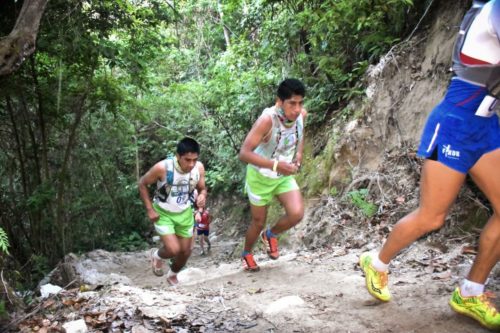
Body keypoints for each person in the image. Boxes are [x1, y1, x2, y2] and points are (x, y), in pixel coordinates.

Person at [359, 0, 500, 330]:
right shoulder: (492, 10)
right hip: (452, 127)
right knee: (432, 216)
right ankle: (377, 263)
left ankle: (470, 292)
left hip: (486, 128)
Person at [239, 78, 307, 271]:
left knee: (296, 213)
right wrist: (277, 165)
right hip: (260, 176)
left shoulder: (301, 116)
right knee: (258, 221)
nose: (297, 108)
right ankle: (246, 253)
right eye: (292, 103)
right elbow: (244, 153)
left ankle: (271, 234)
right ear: (280, 101)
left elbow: (300, 137)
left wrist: (298, 156)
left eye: (300, 102)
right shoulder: (267, 120)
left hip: (282, 175)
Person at [139, 137, 207, 286]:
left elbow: (202, 188)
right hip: (163, 213)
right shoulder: (162, 168)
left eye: (194, 160)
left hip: (184, 213)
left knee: (185, 252)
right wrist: (150, 209)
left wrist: (202, 196)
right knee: (173, 249)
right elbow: (142, 183)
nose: (191, 164)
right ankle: (156, 255)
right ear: (178, 156)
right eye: (187, 160)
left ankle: (172, 275)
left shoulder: (199, 168)